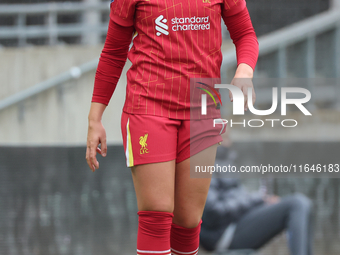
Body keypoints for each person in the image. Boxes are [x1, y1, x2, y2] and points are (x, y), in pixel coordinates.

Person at [85, 0, 259, 254]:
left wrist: (245, 70)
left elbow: (245, 34)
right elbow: (113, 51)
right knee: (157, 211)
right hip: (149, 108)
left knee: (188, 221)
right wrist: (94, 119)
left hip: (202, 110)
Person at [200, 146, 314, 255]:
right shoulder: (203, 162)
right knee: (297, 204)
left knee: (305, 205)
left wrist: (263, 202)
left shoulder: (225, 160)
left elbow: (237, 197)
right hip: (224, 233)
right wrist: (258, 199)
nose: (227, 139)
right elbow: (213, 210)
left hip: (238, 222)